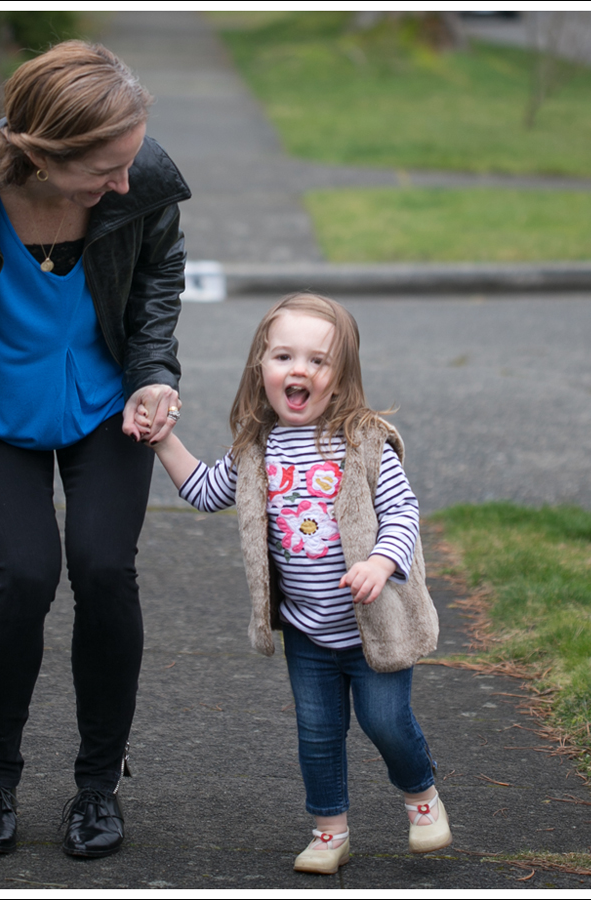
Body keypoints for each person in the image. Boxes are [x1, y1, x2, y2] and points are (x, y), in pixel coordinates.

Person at [0, 41, 191, 858]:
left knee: (104, 570)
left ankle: (99, 784)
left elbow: (159, 274)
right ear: (44, 154)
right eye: (106, 170)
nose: (126, 183)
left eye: (130, 162)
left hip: (107, 409)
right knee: (23, 576)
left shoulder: (142, 174)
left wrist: (153, 374)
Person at [135, 293, 451, 874]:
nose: (298, 369)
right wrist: (162, 440)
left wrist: (381, 563)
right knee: (318, 733)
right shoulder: (255, 447)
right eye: (284, 356)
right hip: (307, 631)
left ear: (341, 377)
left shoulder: (365, 442)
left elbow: (403, 513)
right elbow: (204, 490)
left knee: (385, 721)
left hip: (373, 624)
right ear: (261, 367)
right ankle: (330, 832)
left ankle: (422, 798)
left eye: (317, 360)